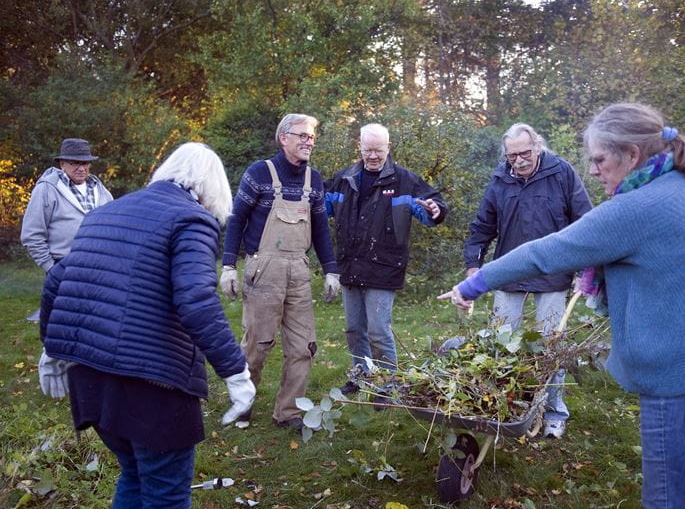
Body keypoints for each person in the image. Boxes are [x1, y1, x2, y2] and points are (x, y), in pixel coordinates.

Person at [440, 103, 685, 508]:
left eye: (599, 159)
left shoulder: (633, 209)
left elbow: (544, 254)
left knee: (674, 501)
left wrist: (475, 284)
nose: (593, 171)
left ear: (631, 154)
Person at [38, 142, 256, 508]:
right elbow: (197, 301)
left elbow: (57, 282)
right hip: (150, 388)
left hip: (91, 379)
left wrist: (52, 348)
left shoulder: (108, 212)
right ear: (210, 186)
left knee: (137, 476)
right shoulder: (192, 218)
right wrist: (236, 373)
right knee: (166, 492)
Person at [463, 123, 592, 438]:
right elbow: (483, 225)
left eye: (524, 153)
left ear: (537, 145)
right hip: (509, 273)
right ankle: (501, 404)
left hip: (554, 273)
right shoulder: (500, 179)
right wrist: (473, 266)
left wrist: (585, 270)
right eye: (512, 156)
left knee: (551, 347)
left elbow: (585, 221)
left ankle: (554, 413)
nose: (518, 161)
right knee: (500, 345)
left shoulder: (561, 173)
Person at [218, 113, 340, 431]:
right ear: (283, 138)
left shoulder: (315, 180)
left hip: (299, 268)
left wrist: (331, 271)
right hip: (264, 267)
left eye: (311, 137)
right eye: (301, 135)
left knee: (303, 347)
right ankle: (243, 403)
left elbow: (321, 231)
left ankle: (288, 413)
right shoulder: (259, 173)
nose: (307, 141)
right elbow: (236, 220)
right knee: (258, 344)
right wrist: (229, 265)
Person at [325, 123, 448, 394]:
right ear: (359, 147)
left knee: (379, 331)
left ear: (388, 148)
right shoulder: (344, 179)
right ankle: (361, 375)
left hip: (384, 269)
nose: (372, 156)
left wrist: (435, 210)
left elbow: (432, 210)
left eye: (378, 150)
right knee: (353, 329)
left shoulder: (405, 181)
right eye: (368, 150)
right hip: (349, 266)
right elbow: (321, 208)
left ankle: (387, 385)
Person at [21, 138, 113, 320]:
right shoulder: (47, 189)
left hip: (99, 270)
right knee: (63, 325)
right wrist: (51, 268)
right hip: (63, 267)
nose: (81, 168)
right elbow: (31, 235)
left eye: (85, 163)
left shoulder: (101, 190)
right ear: (62, 164)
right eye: (75, 163)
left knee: (96, 323)